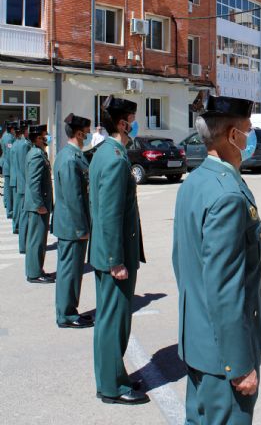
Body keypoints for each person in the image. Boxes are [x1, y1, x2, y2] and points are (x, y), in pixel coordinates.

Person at [173, 95, 261, 425]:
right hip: (223, 356)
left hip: (199, 341)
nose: (252, 136)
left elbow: (182, 263)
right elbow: (226, 289)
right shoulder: (227, 194)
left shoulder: (196, 181)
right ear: (232, 136)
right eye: (249, 129)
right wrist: (239, 364)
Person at [89, 96, 148, 405]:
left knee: (110, 320)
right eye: (133, 119)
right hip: (114, 255)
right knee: (114, 322)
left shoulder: (105, 153)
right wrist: (115, 260)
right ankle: (112, 386)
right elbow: (110, 212)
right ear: (123, 123)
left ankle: (115, 376)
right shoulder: (114, 157)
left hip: (107, 251)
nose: (134, 124)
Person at [53, 114, 94, 329]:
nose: (88, 135)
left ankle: (69, 310)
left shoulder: (71, 155)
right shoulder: (69, 158)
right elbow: (73, 196)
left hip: (70, 225)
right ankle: (66, 314)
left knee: (71, 270)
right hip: (72, 226)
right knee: (69, 271)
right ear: (78, 133)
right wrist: (81, 227)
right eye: (86, 132)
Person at [24, 124, 55, 284]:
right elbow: (34, 183)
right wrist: (39, 204)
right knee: (36, 241)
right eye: (45, 135)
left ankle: (36, 270)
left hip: (39, 204)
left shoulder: (38, 152)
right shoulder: (36, 155)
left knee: (38, 240)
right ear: (37, 138)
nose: (47, 137)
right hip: (38, 207)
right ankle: (34, 273)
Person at [12, 120, 33, 254]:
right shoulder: (25, 145)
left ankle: (23, 243)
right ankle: (24, 245)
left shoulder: (16, 144)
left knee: (21, 213)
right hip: (25, 184)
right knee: (25, 216)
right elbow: (26, 167)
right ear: (25, 130)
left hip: (20, 182)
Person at [0, 120, 17, 220]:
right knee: (9, 188)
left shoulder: (5, 135)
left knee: (7, 187)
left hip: (6, 163)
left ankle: (7, 203)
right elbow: (10, 154)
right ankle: (10, 210)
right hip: (9, 165)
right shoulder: (9, 138)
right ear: (11, 128)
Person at [9, 122, 22, 234]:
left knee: (17, 204)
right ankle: (16, 225)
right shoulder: (20, 145)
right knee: (18, 204)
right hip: (19, 179)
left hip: (15, 177)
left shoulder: (15, 144)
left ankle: (16, 225)